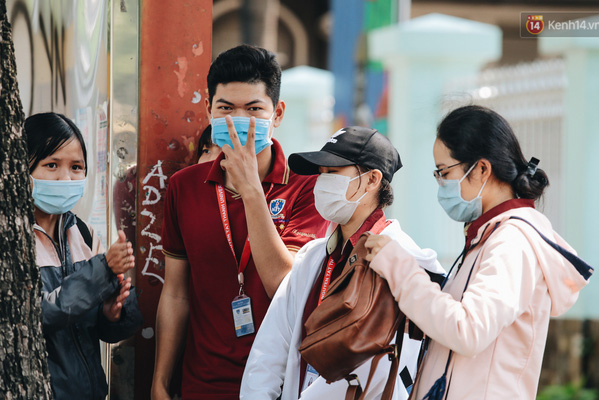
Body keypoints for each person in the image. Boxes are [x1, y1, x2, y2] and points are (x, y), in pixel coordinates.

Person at [364, 105, 593, 399]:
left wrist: (399, 268)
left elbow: (468, 331)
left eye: (444, 172)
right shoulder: (488, 236)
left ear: (482, 169)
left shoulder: (512, 242)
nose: (441, 183)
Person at [151, 44, 328, 399]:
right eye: (226, 109)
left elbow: (284, 285)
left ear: (277, 114)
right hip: (201, 383)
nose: (237, 120)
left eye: (253, 109)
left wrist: (250, 188)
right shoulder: (185, 186)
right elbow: (175, 293)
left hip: (277, 384)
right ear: (209, 111)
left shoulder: (308, 188)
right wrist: (161, 382)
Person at [240, 126, 445, 400]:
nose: (321, 182)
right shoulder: (312, 258)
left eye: (333, 172)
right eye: (320, 173)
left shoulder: (406, 260)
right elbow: (269, 350)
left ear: (372, 179)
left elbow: (388, 367)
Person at [25, 112, 143, 400]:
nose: (66, 177)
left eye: (76, 167)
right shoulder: (13, 239)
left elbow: (103, 331)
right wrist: (103, 270)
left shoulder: (85, 234)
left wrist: (112, 313)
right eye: (51, 165)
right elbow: (37, 315)